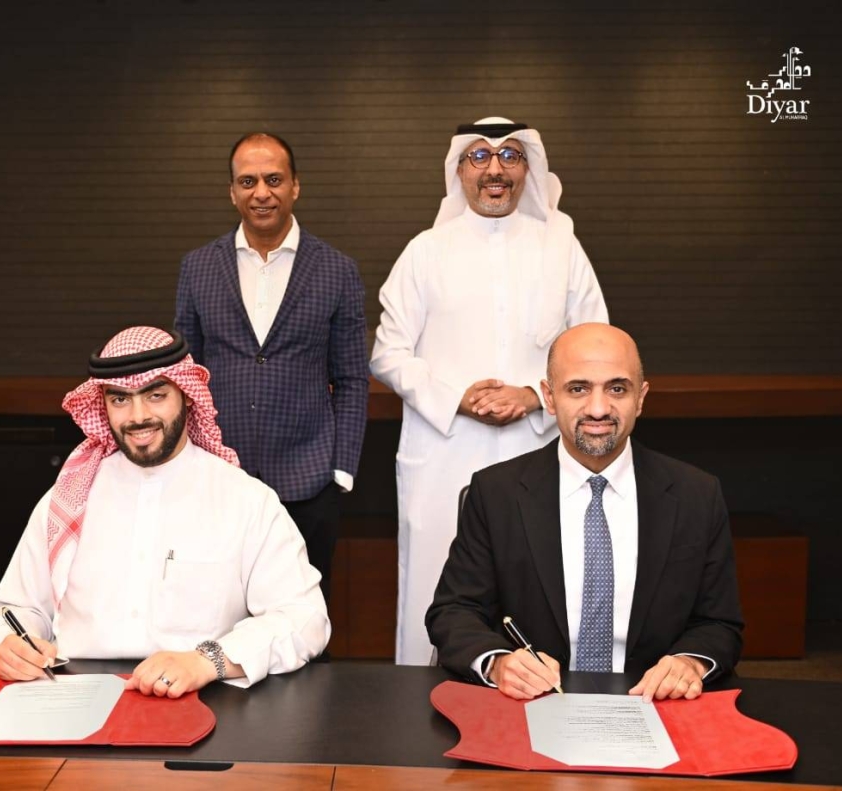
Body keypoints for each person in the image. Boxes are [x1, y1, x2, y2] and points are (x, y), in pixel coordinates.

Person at [0, 326, 330, 696]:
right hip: (74, 699)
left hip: (204, 699)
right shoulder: (67, 499)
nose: (138, 416)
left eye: (156, 395)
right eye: (120, 399)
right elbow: (16, 612)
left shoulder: (245, 500)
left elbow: (304, 618)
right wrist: (6, 645)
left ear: (187, 396)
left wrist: (206, 661)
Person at [370, 117, 609, 664]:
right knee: (433, 584)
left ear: (528, 169)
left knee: (537, 582)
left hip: (536, 448)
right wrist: (459, 397)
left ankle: (542, 697)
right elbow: (387, 353)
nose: (495, 169)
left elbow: (597, 347)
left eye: (510, 156)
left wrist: (534, 396)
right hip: (445, 453)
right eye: (479, 156)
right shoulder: (426, 251)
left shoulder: (562, 249)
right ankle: (419, 706)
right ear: (459, 170)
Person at [426, 323, 744, 701]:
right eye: (578, 389)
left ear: (640, 398)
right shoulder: (496, 493)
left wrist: (689, 662)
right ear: (549, 397)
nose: (598, 409)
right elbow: (454, 611)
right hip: (533, 704)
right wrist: (498, 662)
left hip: (656, 704)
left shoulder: (697, 494)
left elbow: (719, 623)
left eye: (617, 389)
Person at [175, 133, 368, 605]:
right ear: (232, 192)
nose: (261, 192)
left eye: (274, 180)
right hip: (220, 476)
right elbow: (184, 374)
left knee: (305, 615)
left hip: (310, 483)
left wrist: (341, 469)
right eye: (248, 182)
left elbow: (351, 379)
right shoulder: (198, 267)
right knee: (216, 610)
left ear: (295, 186)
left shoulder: (337, 270)